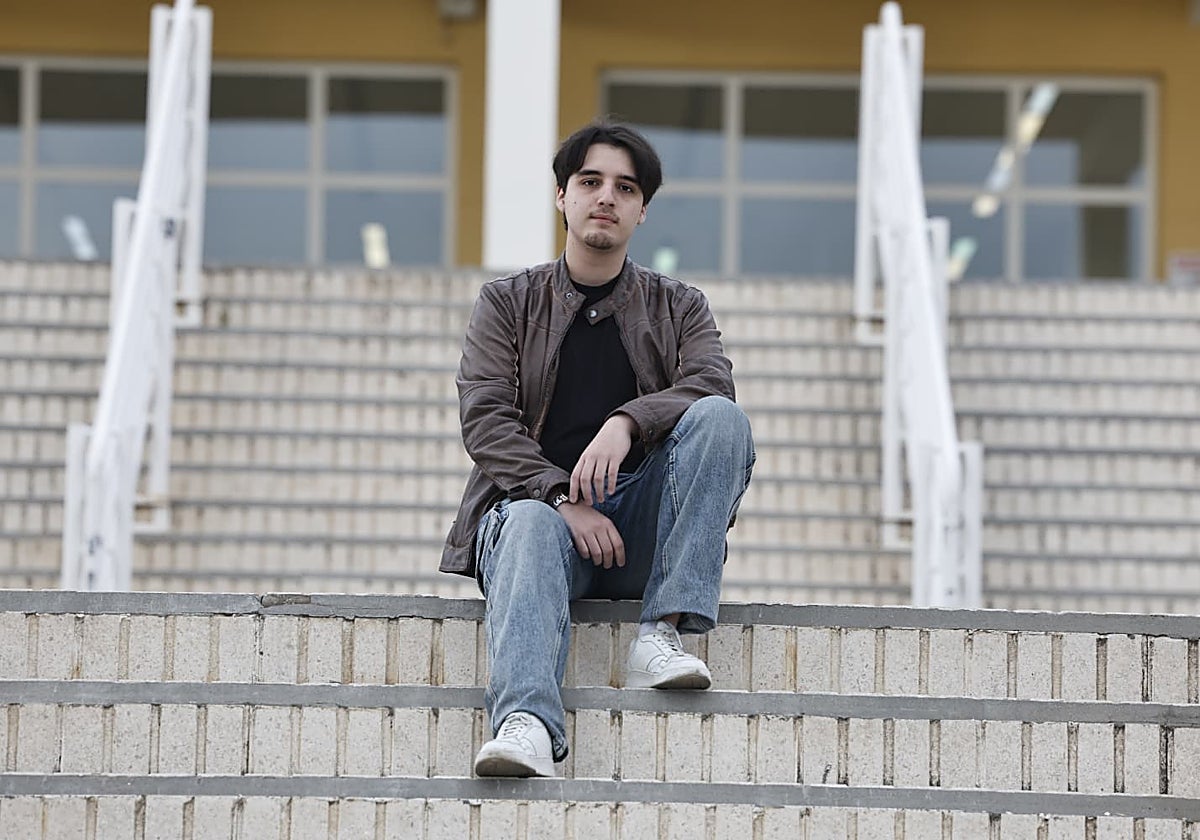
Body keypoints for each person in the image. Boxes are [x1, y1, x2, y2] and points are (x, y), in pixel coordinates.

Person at [440, 121, 755, 778]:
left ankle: (662, 632)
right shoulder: (507, 303)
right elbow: (486, 419)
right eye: (590, 181)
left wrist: (627, 422)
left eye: (625, 187)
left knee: (721, 419)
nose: (606, 197)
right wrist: (561, 497)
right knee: (529, 520)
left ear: (642, 210)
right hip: (539, 530)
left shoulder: (679, 306)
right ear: (563, 196)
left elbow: (710, 381)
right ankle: (526, 724)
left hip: (641, 531)